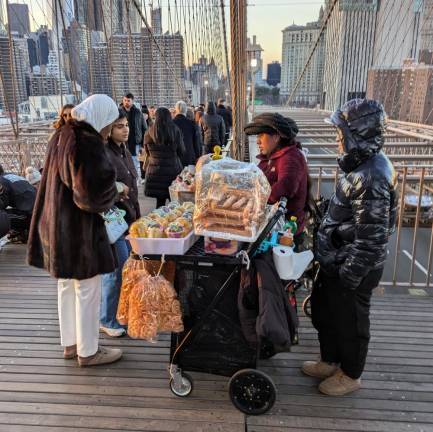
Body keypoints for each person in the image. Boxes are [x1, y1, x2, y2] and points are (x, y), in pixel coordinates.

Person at [303, 99, 398, 396]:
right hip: (338, 260)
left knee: (350, 323)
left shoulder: (372, 176)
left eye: (340, 133)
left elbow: (371, 239)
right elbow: (357, 219)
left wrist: (349, 274)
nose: (336, 139)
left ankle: (350, 374)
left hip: (351, 268)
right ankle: (330, 360)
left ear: (359, 135)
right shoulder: (362, 166)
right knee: (326, 313)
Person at [27, 94, 123, 367]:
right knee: (87, 288)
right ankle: (89, 350)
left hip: (55, 224)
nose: (108, 129)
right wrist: (113, 189)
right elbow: (89, 196)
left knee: (66, 286)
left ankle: (70, 344)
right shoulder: (86, 141)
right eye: (109, 122)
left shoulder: (62, 134)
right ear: (101, 118)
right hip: (78, 231)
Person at [101, 110, 140, 337]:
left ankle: (117, 314)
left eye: (126, 125)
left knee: (124, 268)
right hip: (112, 218)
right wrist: (118, 190)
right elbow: (101, 186)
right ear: (109, 130)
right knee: (115, 269)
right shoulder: (105, 153)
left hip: (127, 217)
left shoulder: (124, 150)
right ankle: (107, 319)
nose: (125, 129)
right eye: (119, 126)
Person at [244, 113, 309, 245]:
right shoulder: (270, 158)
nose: (257, 141)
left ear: (276, 136)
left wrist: (252, 196)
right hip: (269, 229)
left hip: (285, 234)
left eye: (261, 135)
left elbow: (285, 188)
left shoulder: (291, 157)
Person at [143, 107, 185, 208]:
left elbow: (147, 152)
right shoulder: (175, 131)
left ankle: (158, 222)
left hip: (155, 172)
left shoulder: (149, 132)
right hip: (173, 171)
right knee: (174, 204)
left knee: (159, 203)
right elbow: (181, 151)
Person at [0, 164, 37, 242]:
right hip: (37, 212)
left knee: (2, 217)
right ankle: (23, 232)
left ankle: (26, 230)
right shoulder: (10, 176)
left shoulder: (1, 181)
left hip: (32, 216)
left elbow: (2, 203)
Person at [119, 93, 147, 177]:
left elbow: (144, 128)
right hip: (123, 142)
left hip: (135, 142)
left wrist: (143, 144)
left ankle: (134, 180)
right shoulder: (119, 112)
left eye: (128, 101)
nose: (126, 102)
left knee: (134, 162)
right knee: (123, 162)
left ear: (132, 101)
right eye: (125, 100)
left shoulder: (138, 112)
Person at [173, 100, 201, 166]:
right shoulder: (192, 124)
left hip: (175, 157)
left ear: (176, 110)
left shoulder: (171, 124)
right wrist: (198, 155)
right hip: (189, 156)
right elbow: (196, 142)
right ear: (185, 110)